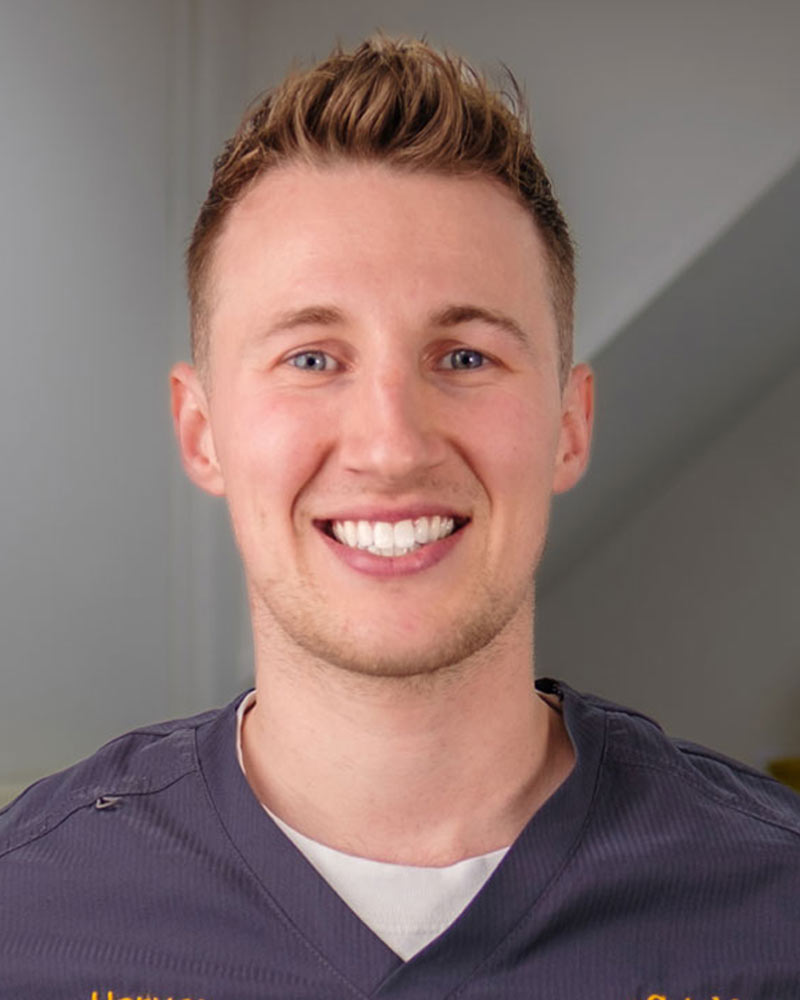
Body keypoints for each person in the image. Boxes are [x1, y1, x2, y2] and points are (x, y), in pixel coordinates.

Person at [1, 35, 798, 1000]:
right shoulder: (29, 912)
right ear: (202, 430)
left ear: (569, 425)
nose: (391, 445)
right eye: (312, 359)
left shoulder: (773, 906)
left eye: (464, 356)